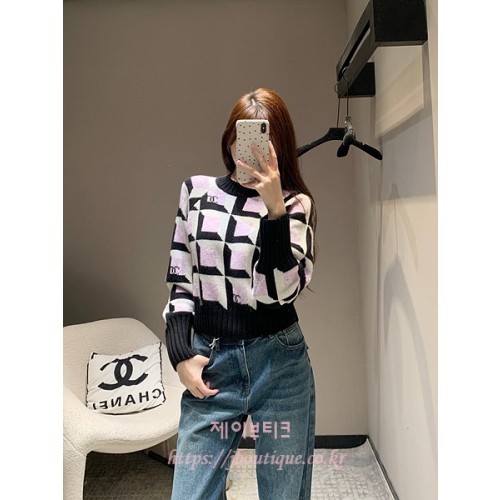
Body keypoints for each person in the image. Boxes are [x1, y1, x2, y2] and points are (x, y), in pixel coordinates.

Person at [163, 87, 317, 500]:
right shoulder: (196, 193)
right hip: (211, 362)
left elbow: (281, 293)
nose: (246, 151)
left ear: (279, 147)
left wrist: (275, 212)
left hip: (280, 365)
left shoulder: (295, 206)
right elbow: (181, 278)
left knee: (284, 494)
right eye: (240, 137)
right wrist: (180, 354)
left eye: (262, 142)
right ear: (229, 140)